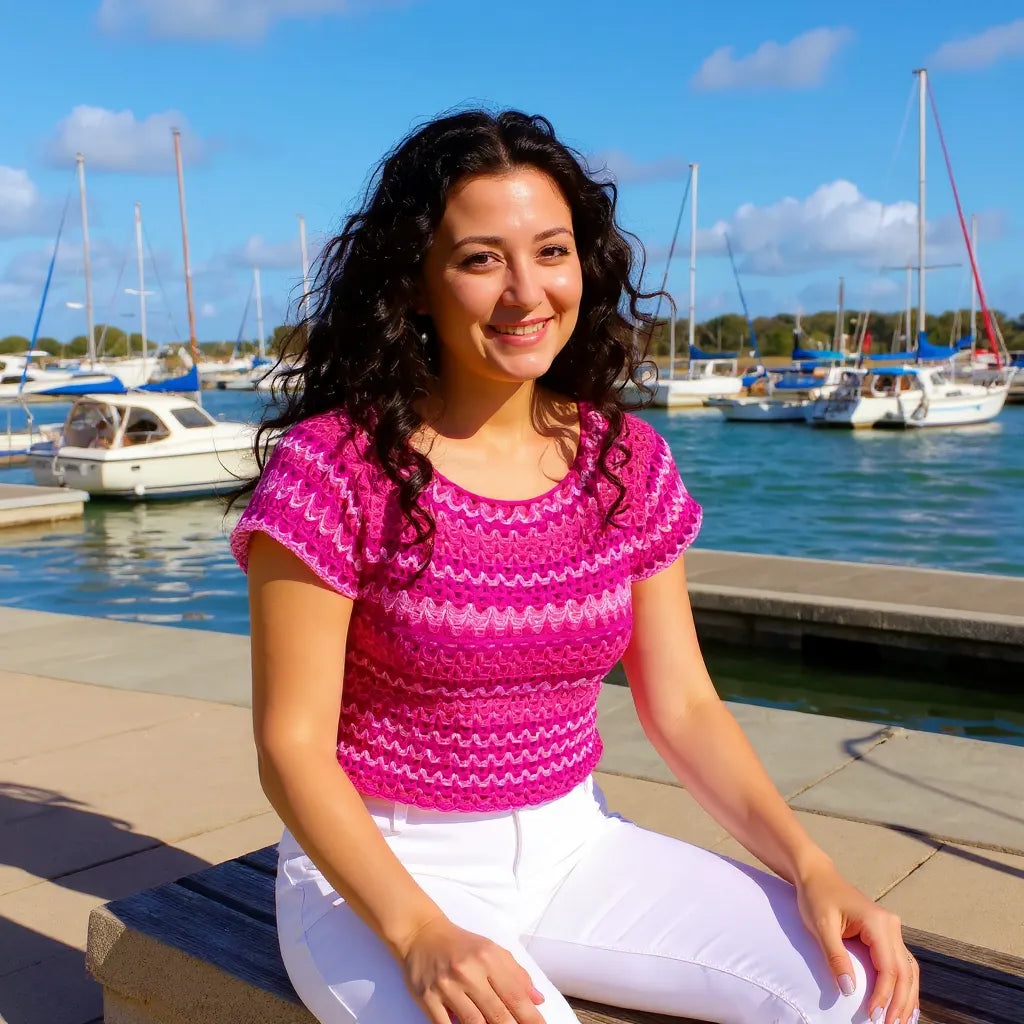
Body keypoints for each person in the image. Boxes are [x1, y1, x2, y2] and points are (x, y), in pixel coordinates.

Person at [231, 110, 919, 1024]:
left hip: (577, 848)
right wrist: (416, 933)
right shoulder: (334, 467)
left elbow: (683, 704)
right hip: (378, 872)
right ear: (417, 284)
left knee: (863, 995)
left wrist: (810, 865)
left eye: (550, 251)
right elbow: (292, 745)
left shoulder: (625, 462)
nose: (526, 292)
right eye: (481, 259)